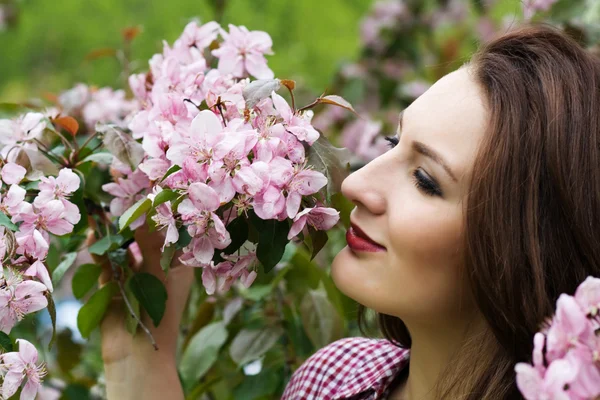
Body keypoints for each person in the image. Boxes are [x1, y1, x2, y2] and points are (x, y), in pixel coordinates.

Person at [97, 24, 600, 399]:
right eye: (392, 141)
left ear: (526, 245)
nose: (357, 184)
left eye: (425, 180)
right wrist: (139, 360)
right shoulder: (333, 381)